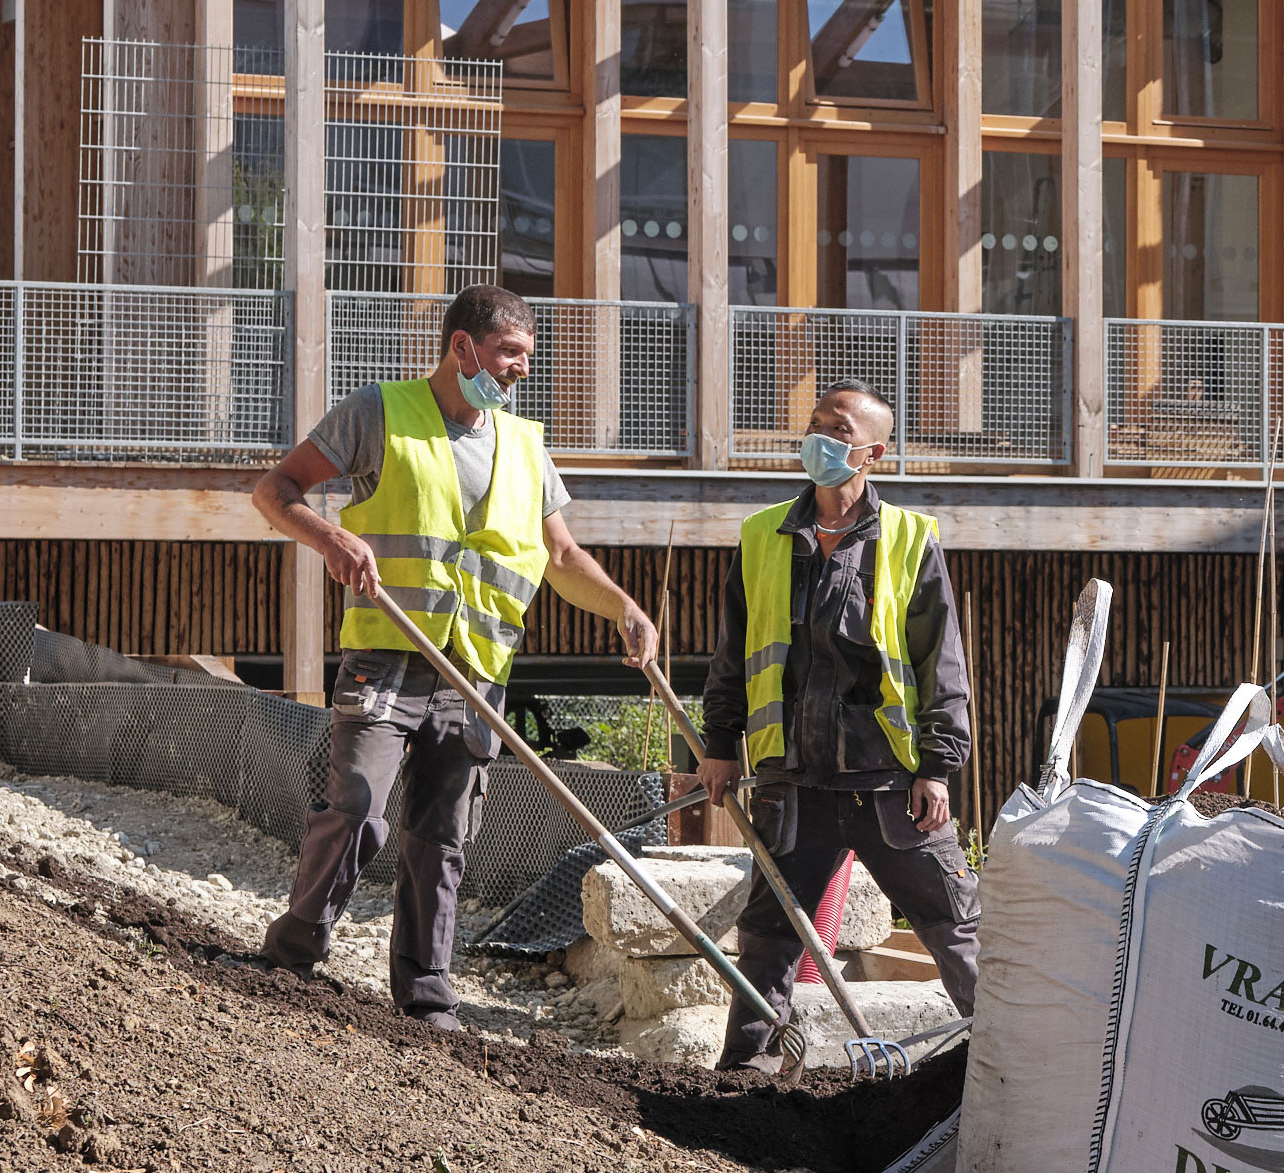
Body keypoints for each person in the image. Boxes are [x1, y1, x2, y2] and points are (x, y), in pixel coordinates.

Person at [248, 283, 658, 1029]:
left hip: (475, 674)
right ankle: (294, 951)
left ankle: (426, 990)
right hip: (386, 654)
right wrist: (328, 536)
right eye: (509, 354)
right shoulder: (379, 411)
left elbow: (560, 554)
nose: (519, 371)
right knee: (359, 808)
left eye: (527, 358)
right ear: (463, 347)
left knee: (444, 835)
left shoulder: (526, 445)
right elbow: (275, 489)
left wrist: (620, 605)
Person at [692, 382, 978, 1075]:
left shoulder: (909, 541)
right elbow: (734, 654)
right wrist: (721, 746)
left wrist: (937, 765)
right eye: (815, 421)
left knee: (953, 921)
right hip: (795, 781)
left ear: (871, 452)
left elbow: (938, 659)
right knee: (769, 932)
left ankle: (1006, 1058)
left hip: (889, 786)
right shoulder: (764, 537)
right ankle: (748, 1071)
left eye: (837, 427)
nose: (818, 435)